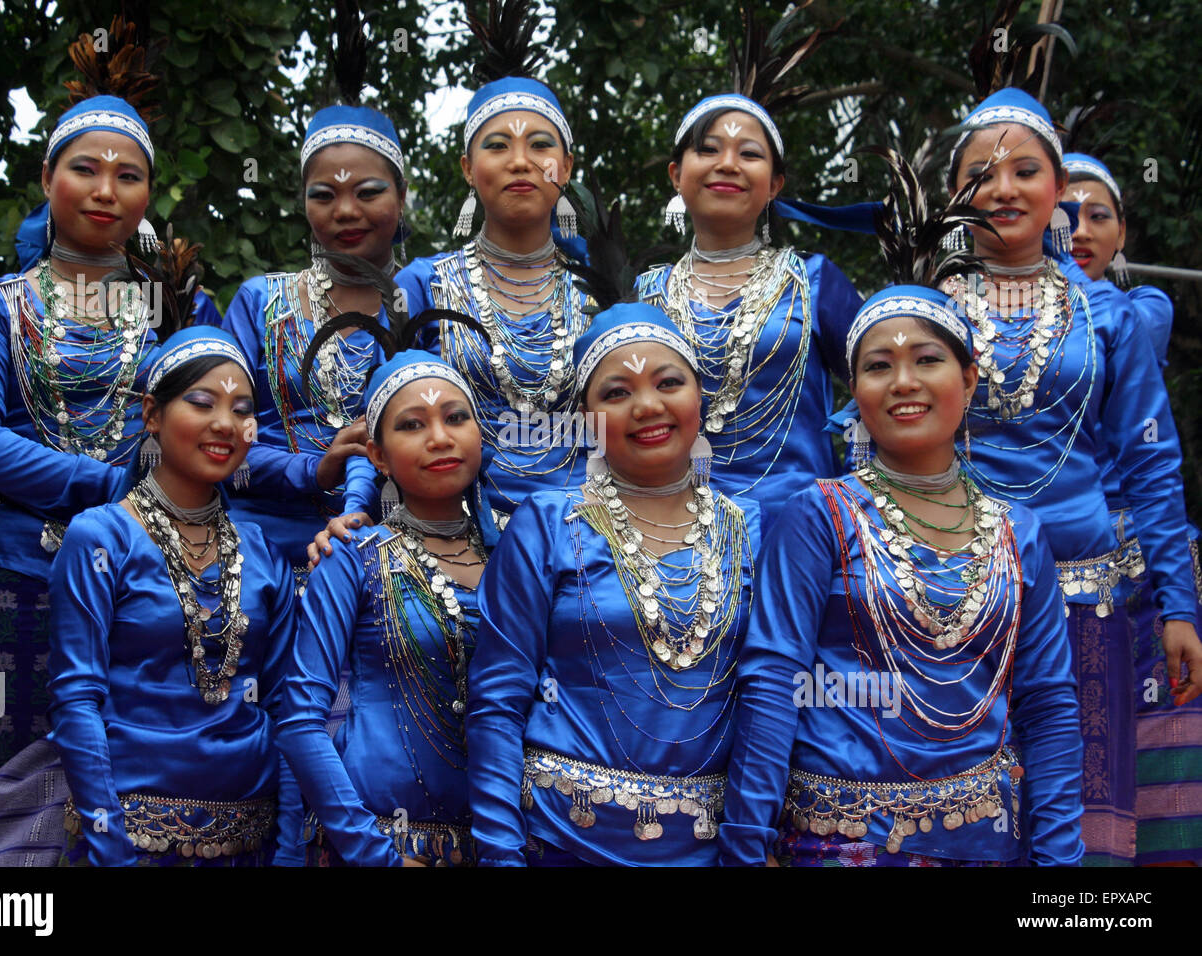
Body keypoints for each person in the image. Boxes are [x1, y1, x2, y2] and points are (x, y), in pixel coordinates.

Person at [725, 152, 1083, 866]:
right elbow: (771, 686)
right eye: (878, 366)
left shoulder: (1020, 534)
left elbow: (1047, 706)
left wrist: (1061, 868)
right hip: (836, 844)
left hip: (986, 842)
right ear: (853, 391)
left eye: (928, 359)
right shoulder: (817, 515)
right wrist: (745, 844)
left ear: (970, 377)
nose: (903, 382)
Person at [0, 28, 215, 833]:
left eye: (128, 175)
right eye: (84, 169)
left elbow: (222, 424)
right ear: (47, 179)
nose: (106, 190)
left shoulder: (180, 309)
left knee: (150, 769)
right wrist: (108, 485)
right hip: (23, 574)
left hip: (153, 573)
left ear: (148, 197)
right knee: (13, 770)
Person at [938, 88, 1202, 865]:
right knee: (962, 803)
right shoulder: (924, 317)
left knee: (1080, 815)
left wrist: (1179, 605)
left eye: (1025, 170)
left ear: (1057, 191)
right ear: (958, 194)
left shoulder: (1108, 317)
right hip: (953, 590)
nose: (1004, 188)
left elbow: (1151, 465)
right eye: (981, 174)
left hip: (1089, 592)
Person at [466, 290, 767, 866]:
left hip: (708, 849)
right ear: (583, 419)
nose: (647, 405)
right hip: (560, 837)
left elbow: (766, 697)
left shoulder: (752, 527)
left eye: (669, 383)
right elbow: (497, 700)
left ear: (700, 397)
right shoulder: (547, 523)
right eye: (617, 393)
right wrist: (500, 855)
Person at [48, 326, 301, 866]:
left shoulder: (264, 553)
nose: (225, 424)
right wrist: (109, 848)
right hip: (131, 836)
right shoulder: (101, 538)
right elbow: (76, 699)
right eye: (203, 402)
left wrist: (290, 849)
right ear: (152, 414)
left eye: (242, 409)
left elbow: (285, 708)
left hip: (249, 838)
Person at [276, 319, 500, 866]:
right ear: (377, 457)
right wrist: (373, 854)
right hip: (378, 840)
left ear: (480, 433)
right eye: (412, 425)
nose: (440, 438)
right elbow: (300, 718)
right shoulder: (351, 555)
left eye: (455, 418)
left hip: (499, 845)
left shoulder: (517, 556)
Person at [636, 14, 862, 513]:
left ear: (775, 185)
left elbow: (884, 382)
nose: (728, 163)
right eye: (709, 149)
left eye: (749, 153)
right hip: (672, 536)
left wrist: (851, 481)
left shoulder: (814, 281)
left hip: (799, 529)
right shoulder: (644, 294)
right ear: (677, 174)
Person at [220, 1, 398, 589]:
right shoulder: (258, 302)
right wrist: (311, 470)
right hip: (263, 552)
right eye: (324, 194)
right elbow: (214, 433)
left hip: (394, 552)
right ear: (302, 203)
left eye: (368, 191)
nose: (346, 210)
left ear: (401, 196)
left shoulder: (425, 299)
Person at [393, 2, 592, 518]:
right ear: (467, 168)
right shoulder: (423, 286)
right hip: (457, 531)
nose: (521, 161)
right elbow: (385, 419)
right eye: (497, 145)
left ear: (565, 168)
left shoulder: (603, 290)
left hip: (593, 533)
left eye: (540, 145)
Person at [1062, 152, 1202, 865]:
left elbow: (1152, 467)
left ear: (1123, 235)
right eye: (1066, 213)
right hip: (1032, 560)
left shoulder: (1139, 311)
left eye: (1098, 215)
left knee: (1151, 751)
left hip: (1140, 565)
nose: (1079, 228)